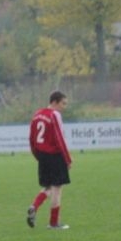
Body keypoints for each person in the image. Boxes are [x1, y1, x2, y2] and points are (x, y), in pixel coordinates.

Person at [27, 91, 73, 230]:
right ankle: (53, 223)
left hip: (42, 155)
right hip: (55, 155)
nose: (64, 107)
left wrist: (38, 156)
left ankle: (34, 206)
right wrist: (67, 159)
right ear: (54, 102)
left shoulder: (37, 114)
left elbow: (31, 138)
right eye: (63, 103)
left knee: (48, 187)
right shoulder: (55, 115)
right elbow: (60, 138)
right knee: (57, 189)